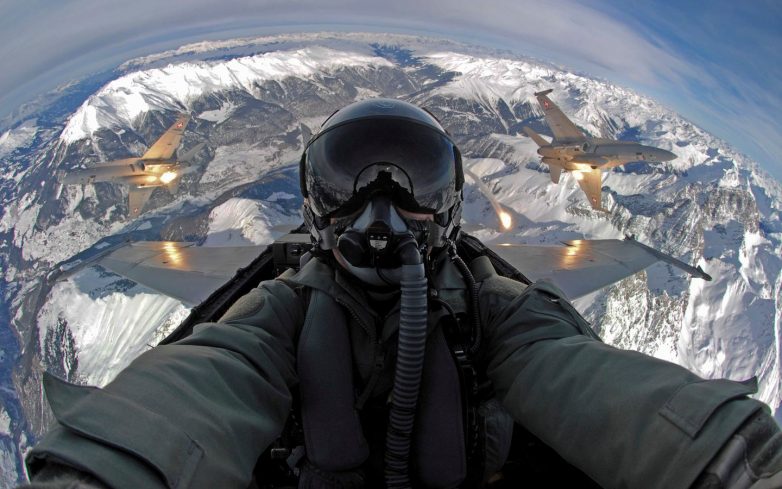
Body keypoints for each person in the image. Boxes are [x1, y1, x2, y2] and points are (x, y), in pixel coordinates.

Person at [22, 98, 782, 489]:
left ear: (447, 202)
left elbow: (583, 379)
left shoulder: (499, 310)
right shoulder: (279, 309)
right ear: (318, 202)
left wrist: (735, 463)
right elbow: (207, 377)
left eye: (411, 184)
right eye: (349, 184)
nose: (379, 211)